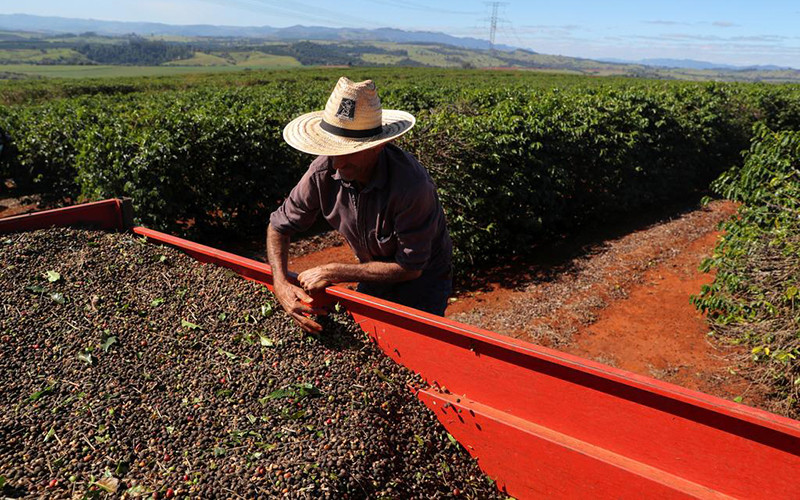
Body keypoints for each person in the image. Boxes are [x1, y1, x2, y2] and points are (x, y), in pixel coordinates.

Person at [267, 77, 453, 333]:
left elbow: (411, 268)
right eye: (333, 152)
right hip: (372, 267)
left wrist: (333, 271)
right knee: (370, 335)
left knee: (415, 341)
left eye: (349, 153)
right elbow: (278, 227)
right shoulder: (323, 170)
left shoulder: (411, 186)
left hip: (424, 278)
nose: (338, 164)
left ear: (378, 147)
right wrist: (280, 283)